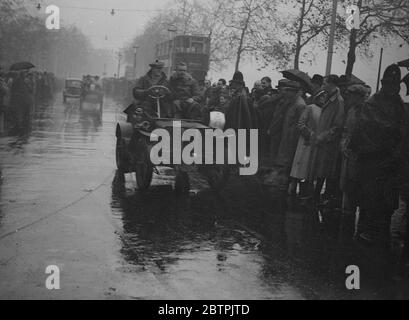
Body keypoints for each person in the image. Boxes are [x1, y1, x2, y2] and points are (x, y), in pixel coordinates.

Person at [349, 64, 409, 248]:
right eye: (389, 83)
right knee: (369, 199)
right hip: (373, 161)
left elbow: (402, 131)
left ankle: (379, 235)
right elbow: (367, 130)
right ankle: (365, 233)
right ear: (383, 83)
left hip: (391, 163)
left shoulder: (399, 105)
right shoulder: (372, 104)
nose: (393, 87)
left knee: (387, 202)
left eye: (395, 84)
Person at [308, 75, 344, 203]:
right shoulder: (329, 98)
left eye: (324, 83)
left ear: (331, 84)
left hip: (327, 143)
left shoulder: (338, 101)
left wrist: (323, 136)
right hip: (321, 140)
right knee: (320, 169)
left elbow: (337, 126)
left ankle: (318, 196)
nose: (322, 86)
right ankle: (315, 195)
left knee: (324, 170)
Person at [290, 90, 325, 196]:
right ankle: (293, 188)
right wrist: (309, 134)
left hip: (316, 144)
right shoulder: (310, 107)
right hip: (306, 141)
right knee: (299, 166)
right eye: (322, 96)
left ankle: (304, 191)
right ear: (318, 97)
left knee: (309, 168)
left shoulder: (325, 111)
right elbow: (301, 123)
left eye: (325, 97)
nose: (323, 99)